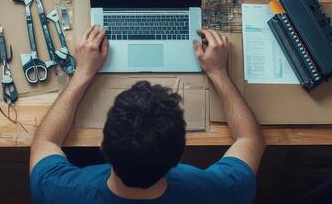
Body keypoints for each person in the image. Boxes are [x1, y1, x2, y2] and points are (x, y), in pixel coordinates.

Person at [29, 25, 265, 204]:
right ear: (179, 155)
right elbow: (250, 140)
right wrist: (218, 71)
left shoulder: (59, 190)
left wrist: (82, 72)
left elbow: (44, 141)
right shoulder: (219, 192)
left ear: (102, 146)